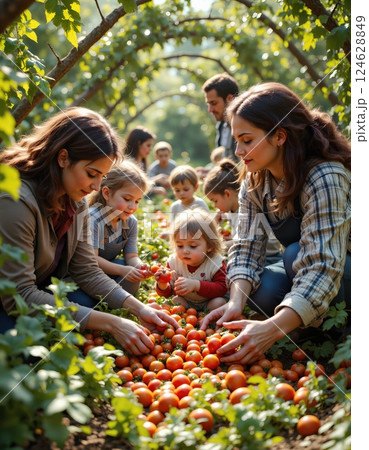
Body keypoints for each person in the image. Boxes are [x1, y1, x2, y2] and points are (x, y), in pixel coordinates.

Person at [0, 107, 178, 354]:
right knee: (27, 349)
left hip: (41, 290)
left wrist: (140, 309)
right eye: (92, 174)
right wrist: (112, 323)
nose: (96, 186)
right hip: (10, 301)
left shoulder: (76, 202)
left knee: (86, 304)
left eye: (102, 177)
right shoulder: (16, 201)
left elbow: (85, 269)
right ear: (63, 158)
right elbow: (19, 295)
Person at [200, 82, 351, 364]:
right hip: (311, 265)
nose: (238, 150)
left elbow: (323, 264)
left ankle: (340, 334)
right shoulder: (256, 180)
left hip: (345, 269)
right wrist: (235, 302)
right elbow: (245, 245)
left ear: (279, 136)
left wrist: (272, 329)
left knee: (294, 255)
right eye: (236, 140)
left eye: (247, 140)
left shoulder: (324, 176)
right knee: (262, 290)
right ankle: (299, 324)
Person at [88, 161, 152, 296]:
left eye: (137, 201)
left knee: (130, 272)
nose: (133, 206)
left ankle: (114, 301)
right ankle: (110, 303)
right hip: (86, 275)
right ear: (106, 193)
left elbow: (131, 256)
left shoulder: (130, 222)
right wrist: (122, 271)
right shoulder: (93, 219)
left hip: (107, 272)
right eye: (127, 199)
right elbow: (91, 260)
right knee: (82, 302)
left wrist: (142, 268)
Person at [203, 159, 282, 263]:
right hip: (251, 255)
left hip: (268, 258)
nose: (215, 206)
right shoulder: (232, 211)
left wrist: (218, 245)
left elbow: (243, 242)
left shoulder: (247, 210)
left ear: (227, 194)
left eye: (215, 201)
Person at [154, 209, 227, 312]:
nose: (185, 251)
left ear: (209, 246)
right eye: (180, 245)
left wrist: (196, 285)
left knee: (219, 303)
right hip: (186, 301)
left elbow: (222, 288)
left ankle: (208, 318)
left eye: (193, 246)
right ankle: (186, 318)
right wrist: (162, 284)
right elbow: (168, 293)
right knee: (175, 301)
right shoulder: (174, 262)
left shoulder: (215, 263)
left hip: (209, 301)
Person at [202, 73, 239, 163]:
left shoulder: (246, 126)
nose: (210, 110)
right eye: (208, 104)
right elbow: (220, 163)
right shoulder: (221, 126)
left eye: (213, 103)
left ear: (230, 99)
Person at [123, 126, 166, 196]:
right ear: (139, 144)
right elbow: (134, 186)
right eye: (148, 145)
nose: (150, 149)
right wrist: (155, 181)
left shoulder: (142, 163)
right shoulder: (127, 164)